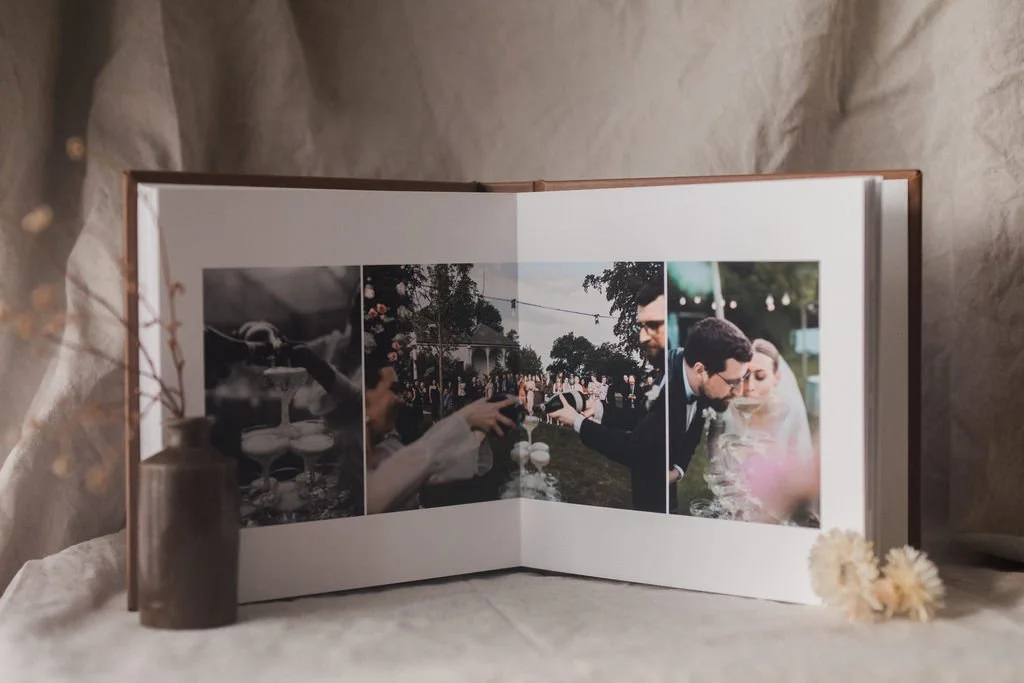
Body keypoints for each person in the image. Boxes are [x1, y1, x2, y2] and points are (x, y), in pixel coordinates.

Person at [549, 281, 671, 513]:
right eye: (641, 327)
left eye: (653, 325)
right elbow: (638, 417)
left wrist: (577, 421)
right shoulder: (663, 376)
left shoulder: (673, 382)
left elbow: (634, 448)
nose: (643, 338)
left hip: (660, 507)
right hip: (646, 496)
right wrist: (595, 407)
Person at [363, 358, 516, 514]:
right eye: (394, 389)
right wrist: (464, 417)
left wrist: (481, 429)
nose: (400, 399)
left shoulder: (389, 449)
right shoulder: (348, 462)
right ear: (364, 395)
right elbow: (373, 498)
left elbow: (445, 466)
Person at [704, 338, 818, 524]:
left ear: (777, 378)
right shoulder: (725, 412)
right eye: (745, 376)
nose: (750, 387)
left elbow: (802, 474)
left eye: (760, 376)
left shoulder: (790, 413)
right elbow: (715, 468)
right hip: (734, 509)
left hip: (780, 510)